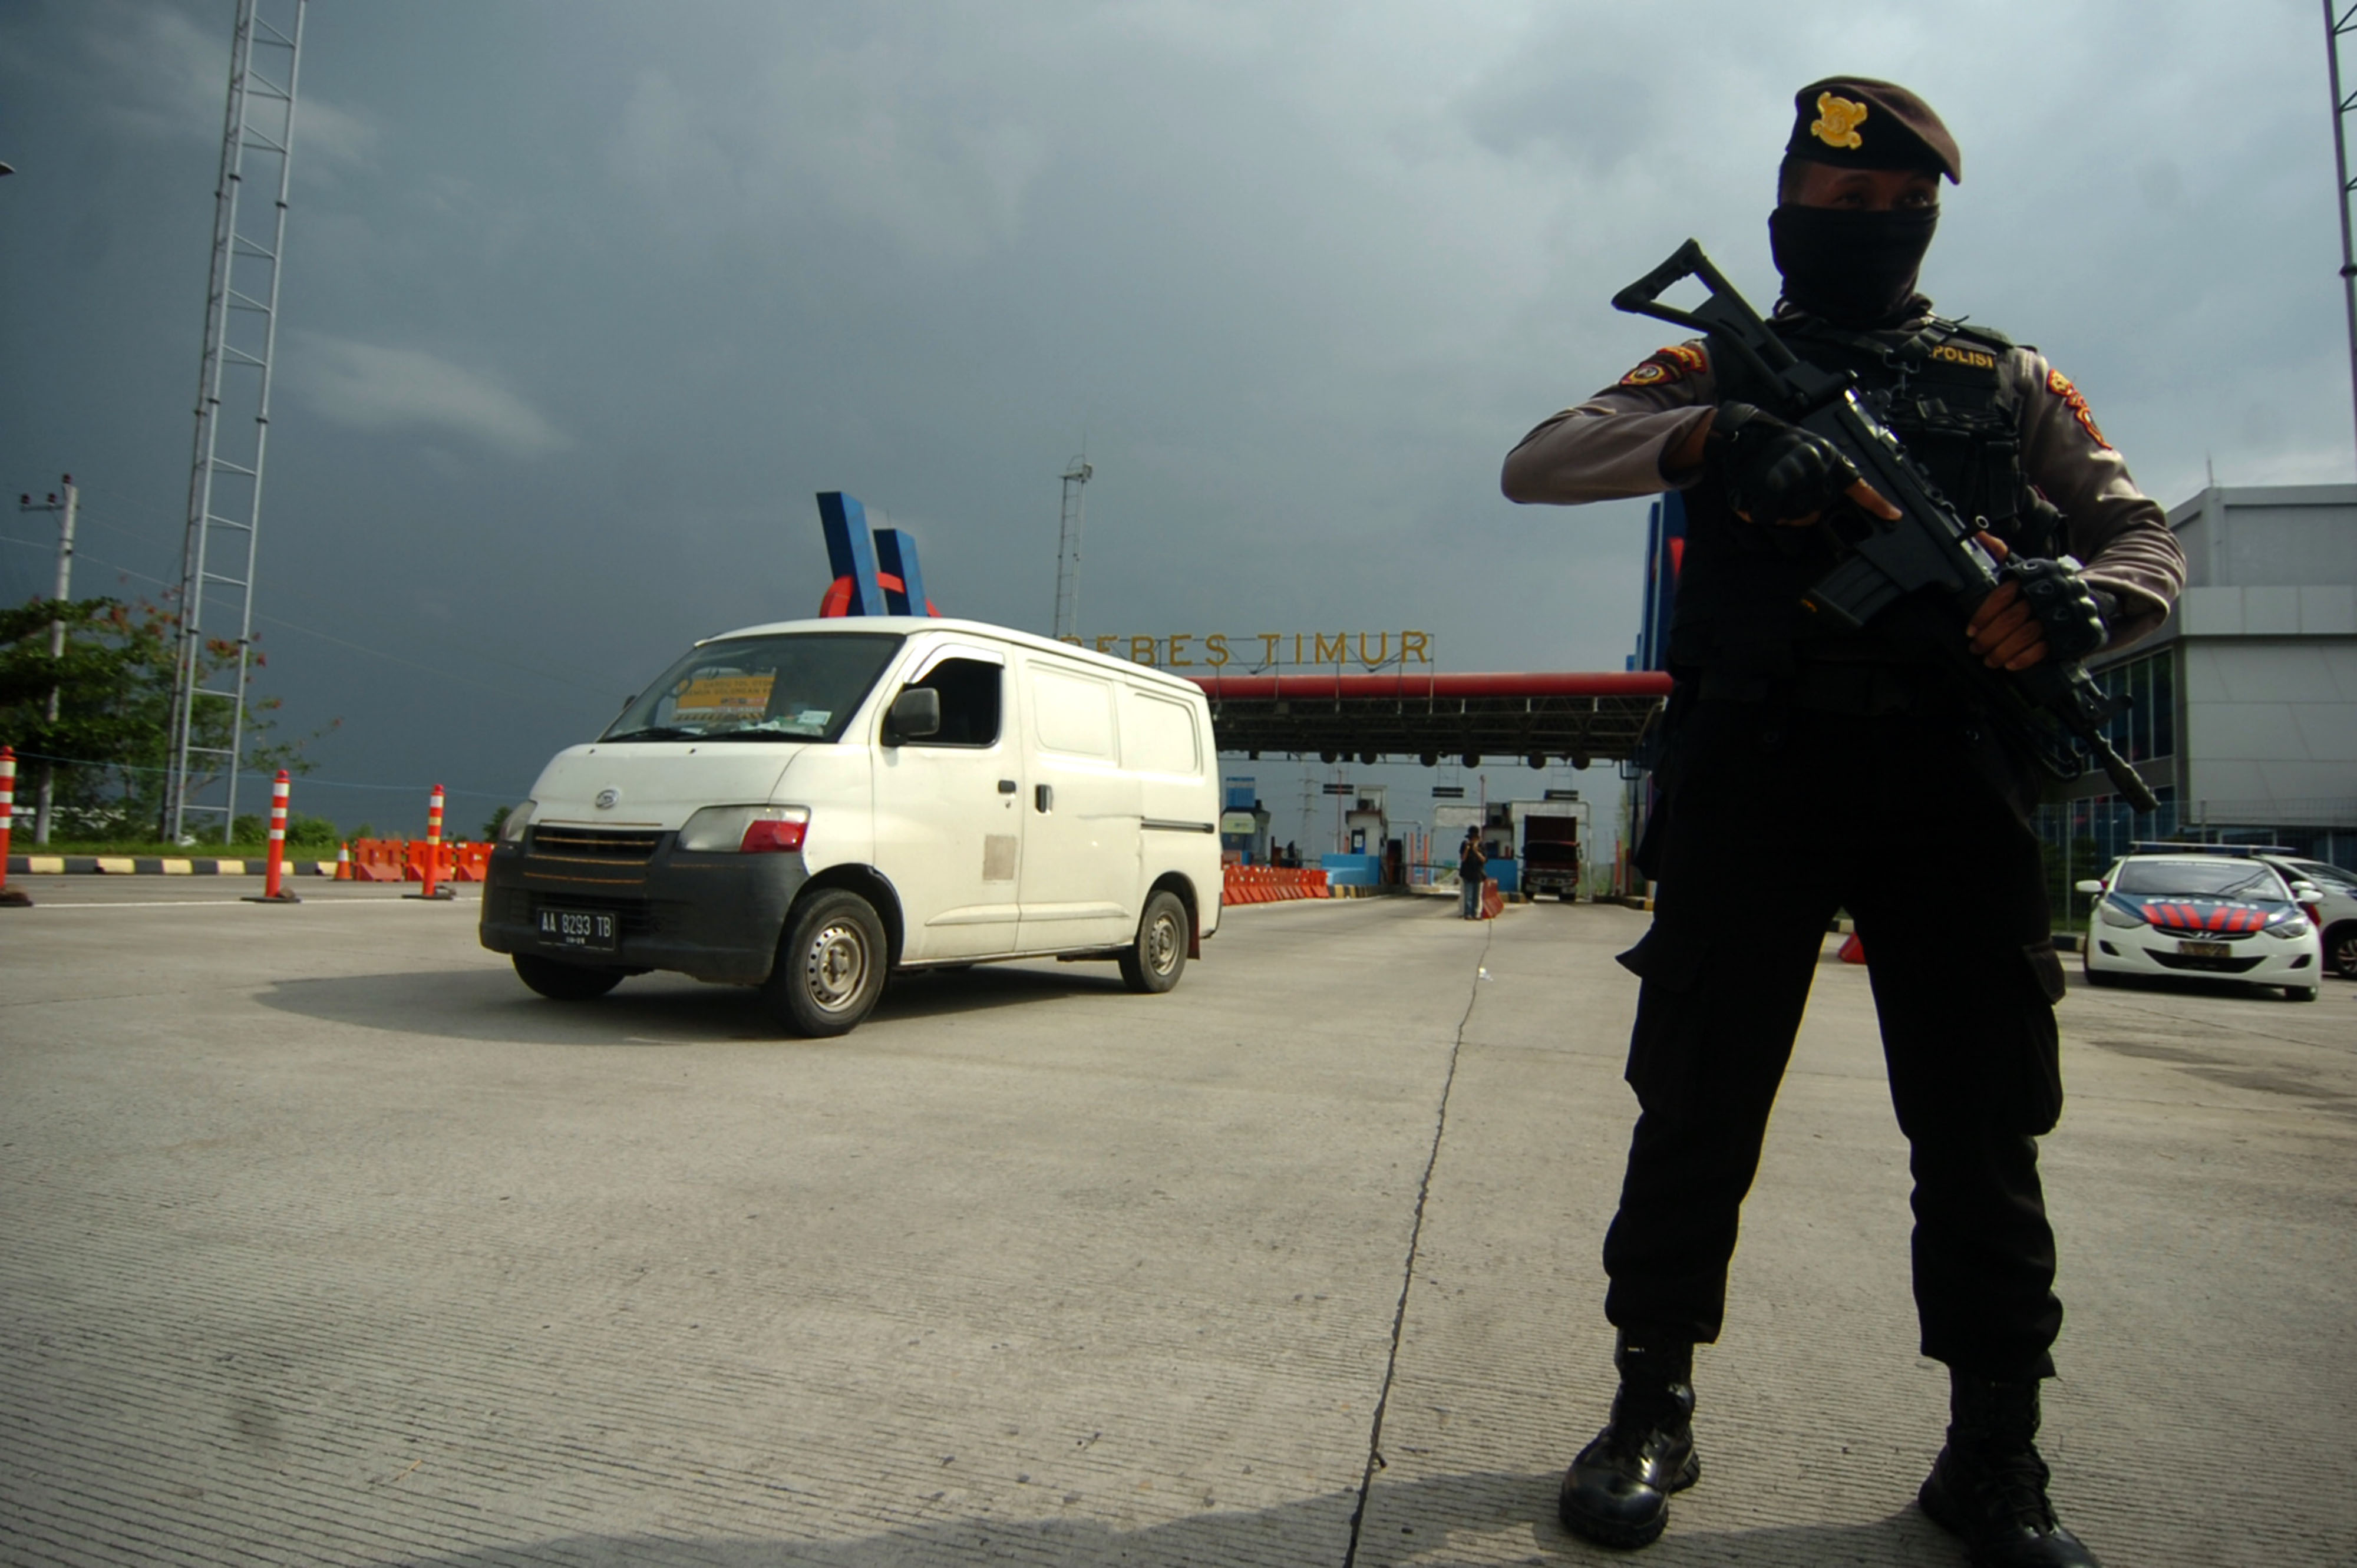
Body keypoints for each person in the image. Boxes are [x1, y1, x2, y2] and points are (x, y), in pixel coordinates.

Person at [1500, 78, 2183, 1567]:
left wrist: (2090, 602)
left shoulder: (2008, 380)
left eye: (1890, 209)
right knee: (1698, 1101)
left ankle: (1993, 1454)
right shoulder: (1712, 363)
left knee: (1982, 1122)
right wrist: (1709, 442)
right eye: (1833, 200)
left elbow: (2138, 537)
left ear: (1926, 219)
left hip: (1955, 782)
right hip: (1756, 773)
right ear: (1783, 209)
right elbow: (1539, 459)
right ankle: (1648, 1408)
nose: (1861, 226)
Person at [1458, 828, 1488, 919]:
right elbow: (1463, 859)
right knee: (1469, 894)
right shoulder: (1464, 845)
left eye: (1474, 839)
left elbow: (1484, 860)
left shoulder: (1482, 846)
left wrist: (1476, 850)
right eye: (1471, 839)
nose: (1472, 841)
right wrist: (1467, 849)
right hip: (1468, 873)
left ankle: (1476, 913)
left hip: (1478, 873)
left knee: (1477, 895)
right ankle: (1468, 913)